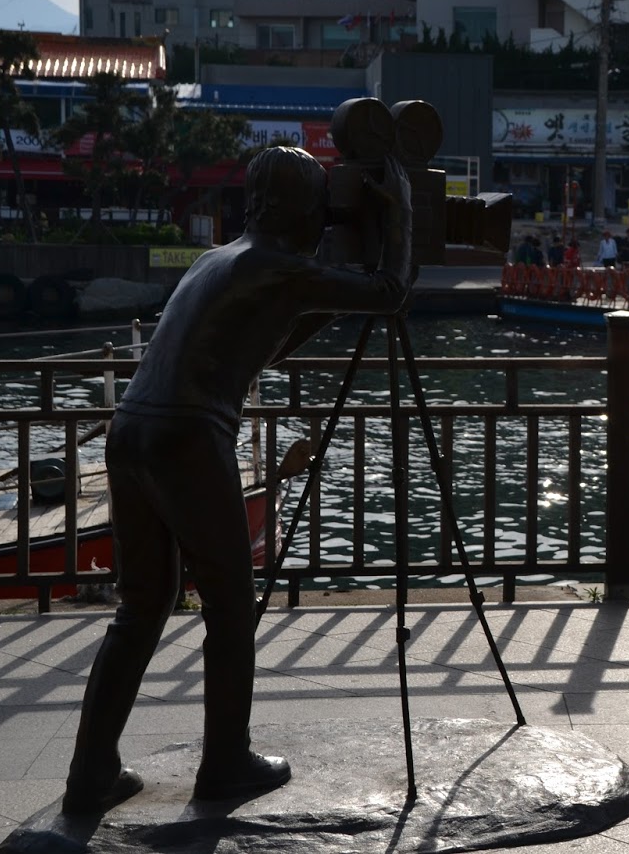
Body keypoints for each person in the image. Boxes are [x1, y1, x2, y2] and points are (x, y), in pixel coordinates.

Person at [61, 145, 412, 814]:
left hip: (131, 431)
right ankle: (225, 764)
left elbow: (264, 344)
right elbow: (393, 295)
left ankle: (90, 773)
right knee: (229, 609)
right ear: (303, 210)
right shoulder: (277, 266)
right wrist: (400, 217)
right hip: (188, 438)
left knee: (140, 608)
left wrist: (333, 297)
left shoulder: (218, 259)